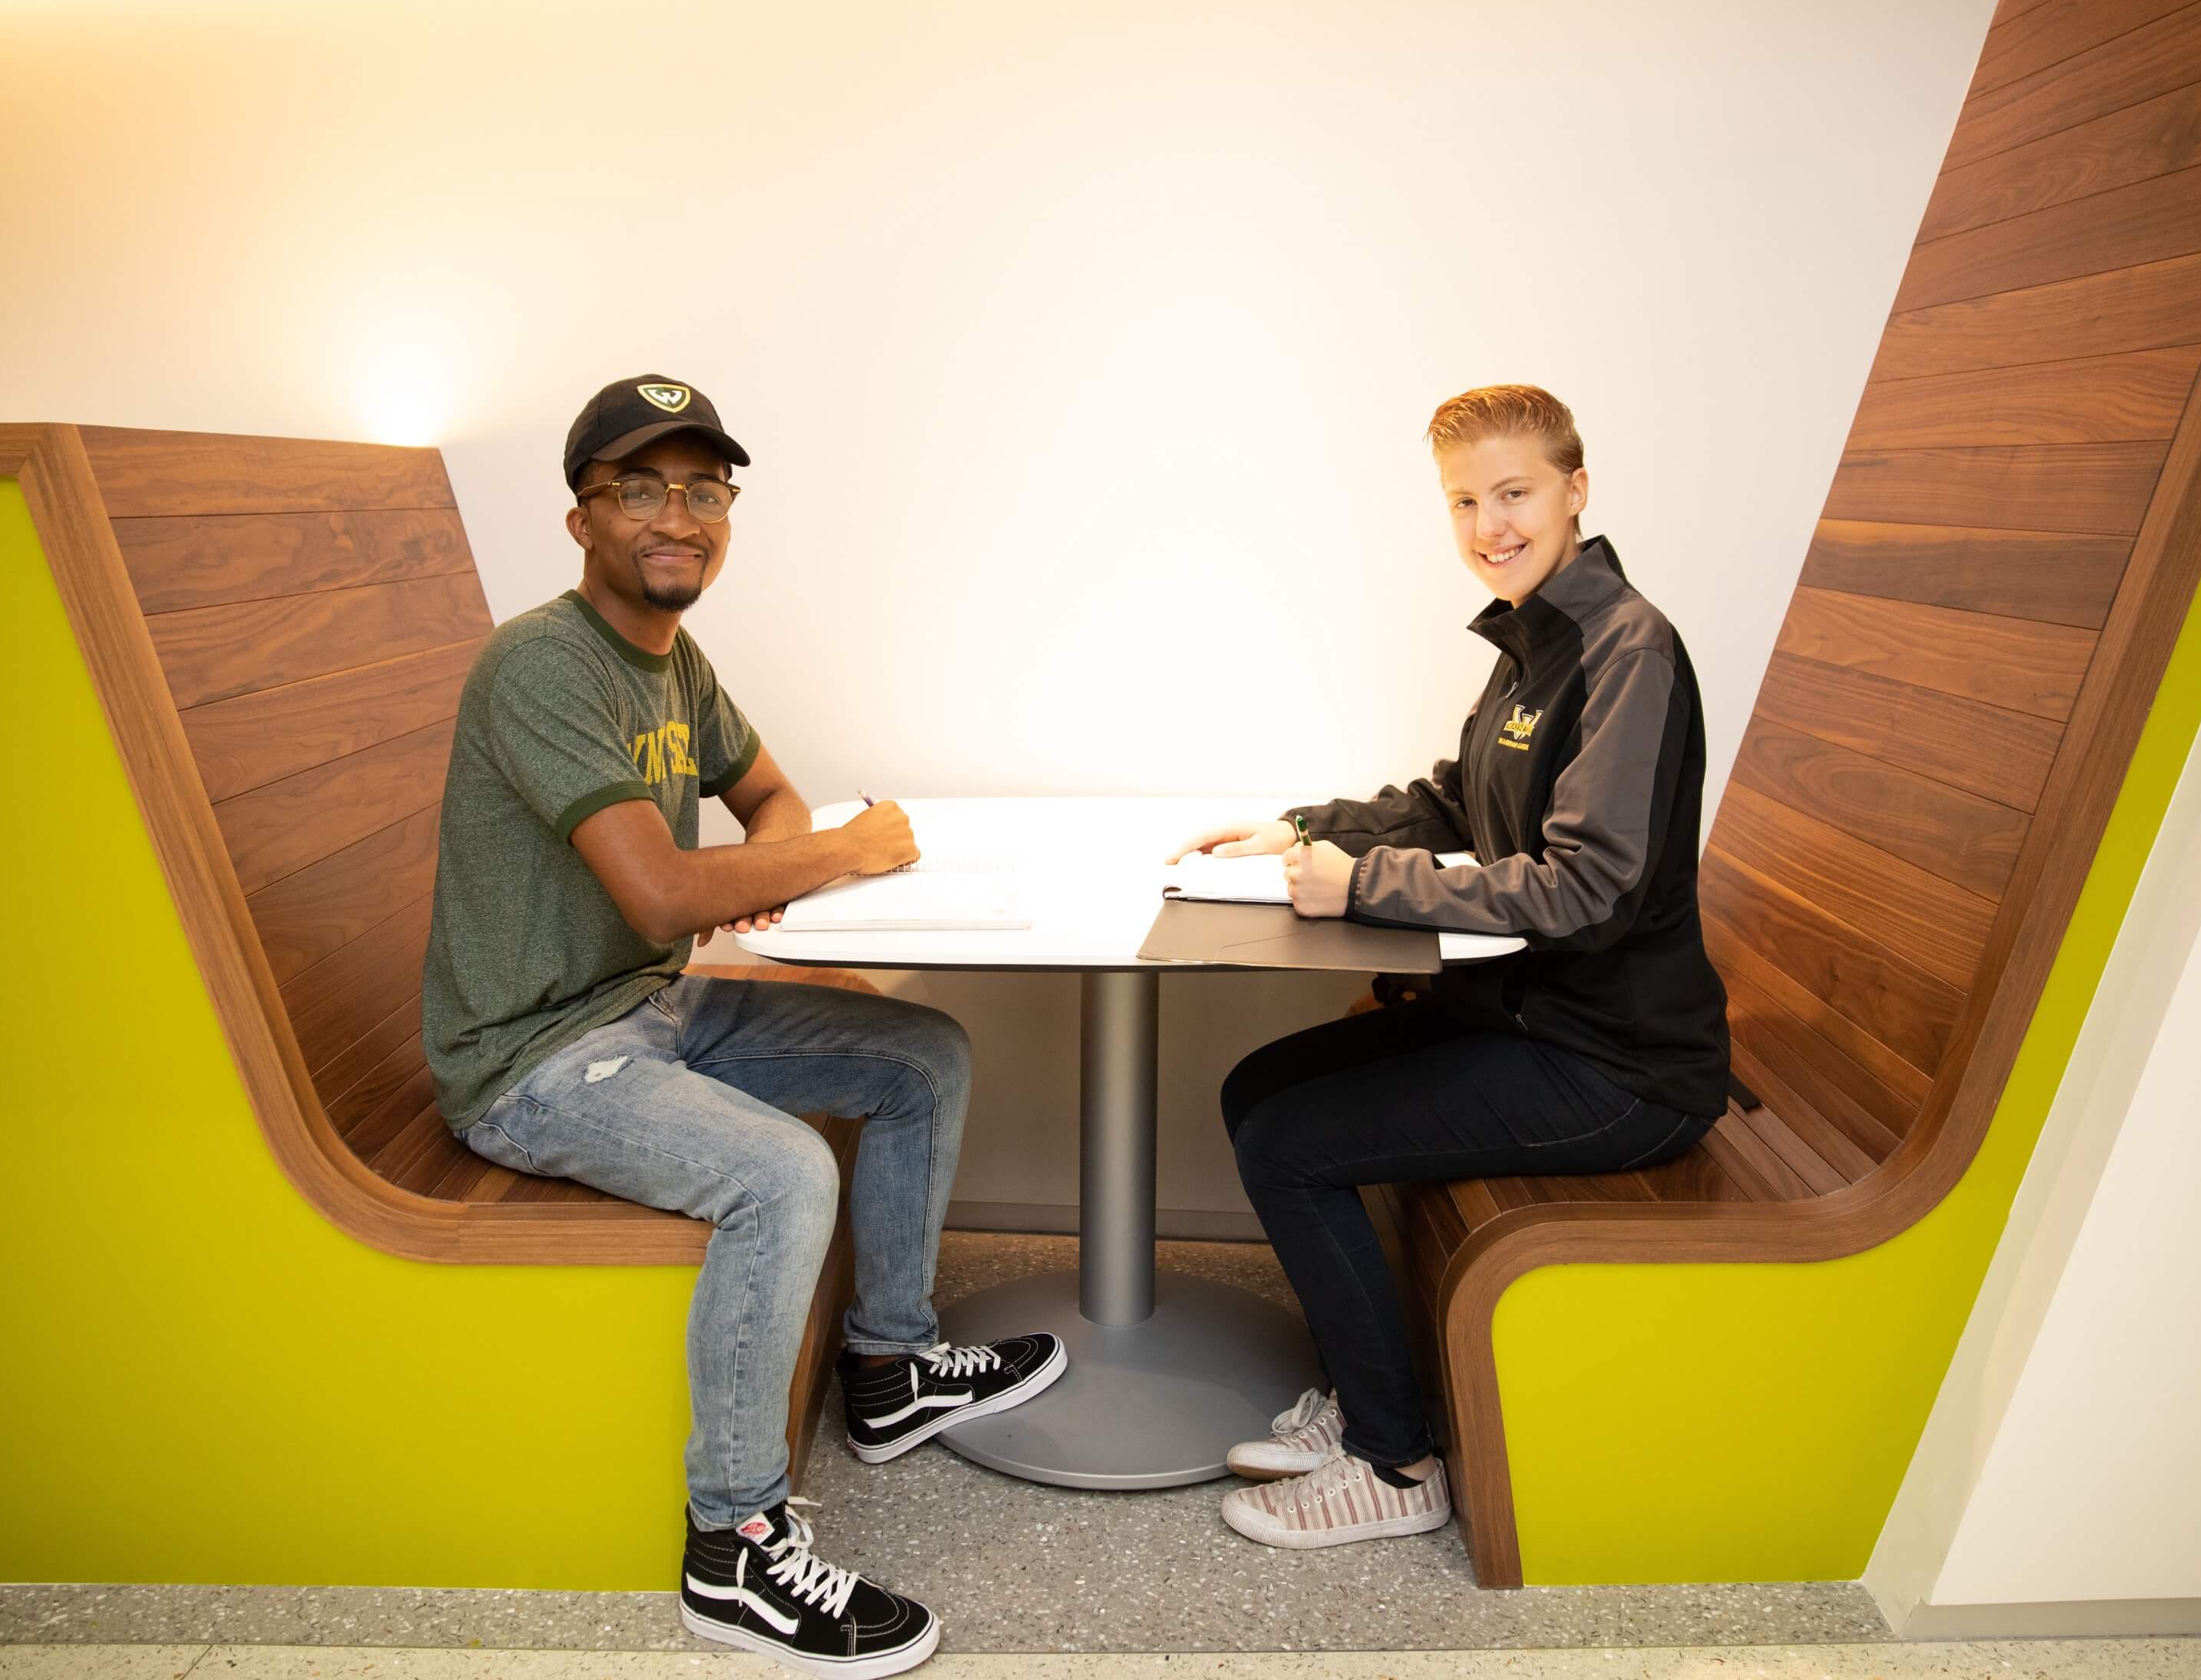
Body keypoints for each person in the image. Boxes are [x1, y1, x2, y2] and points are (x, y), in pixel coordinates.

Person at [421, 375, 1064, 1675]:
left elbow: (765, 797)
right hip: (533, 1059)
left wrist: (774, 879)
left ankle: (885, 1374)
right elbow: (666, 887)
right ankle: (735, 1549)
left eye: (705, 490)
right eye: (643, 488)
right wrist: (832, 858)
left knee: (920, 1055)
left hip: (646, 1006)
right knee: (779, 1174)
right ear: (580, 519)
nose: (682, 515)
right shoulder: (543, 663)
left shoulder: (675, 660)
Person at [1172, 384, 1730, 1551]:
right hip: (1527, 1017)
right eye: (1464, 502)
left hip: (1619, 1066)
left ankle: (1393, 1458)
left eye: (1514, 493)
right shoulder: (1534, 640)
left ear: (1576, 491)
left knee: (1289, 1143)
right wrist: (1303, 828)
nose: (1490, 526)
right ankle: (1367, 1391)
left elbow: (1589, 888)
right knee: (1256, 1091)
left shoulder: (1627, 649)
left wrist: (1362, 884)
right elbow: (1453, 802)